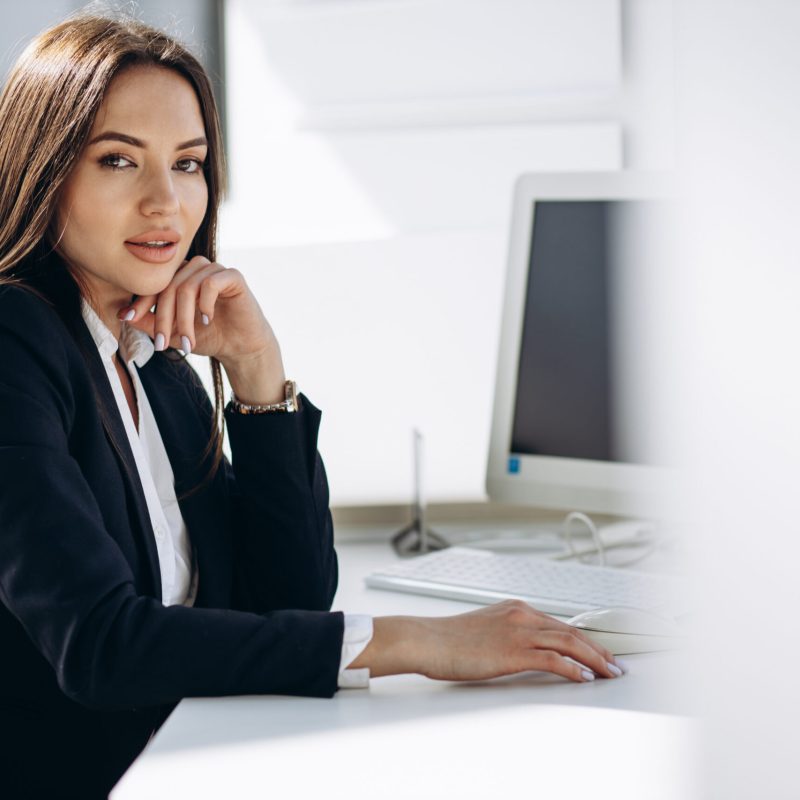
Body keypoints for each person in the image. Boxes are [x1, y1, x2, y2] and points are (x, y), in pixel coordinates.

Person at [0, 12, 625, 799]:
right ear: (45, 167)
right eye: (119, 160)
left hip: (193, 757)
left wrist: (260, 375)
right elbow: (100, 645)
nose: (166, 201)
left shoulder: (148, 355)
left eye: (189, 164)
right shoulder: (16, 334)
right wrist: (420, 643)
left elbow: (288, 596)